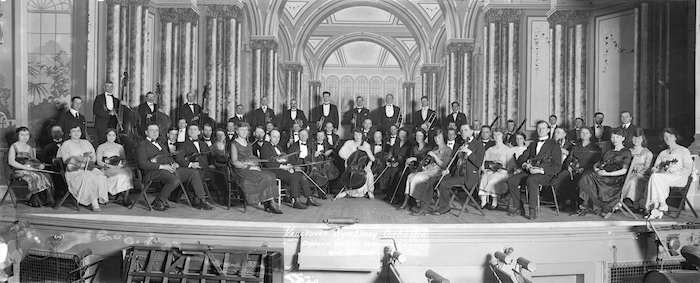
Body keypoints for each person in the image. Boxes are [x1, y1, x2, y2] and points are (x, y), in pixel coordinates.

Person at [136, 123, 214, 211]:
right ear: (146, 132)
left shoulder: (160, 144)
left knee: (193, 173)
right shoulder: (142, 145)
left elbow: (168, 157)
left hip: (168, 169)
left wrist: (174, 163)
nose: (154, 132)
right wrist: (162, 166)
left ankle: (201, 200)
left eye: (156, 130)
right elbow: (142, 164)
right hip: (152, 172)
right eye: (151, 130)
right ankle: (159, 201)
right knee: (174, 179)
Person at [506, 120, 562, 220]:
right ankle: (518, 207)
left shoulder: (554, 145)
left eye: (543, 128)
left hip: (546, 174)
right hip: (530, 171)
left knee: (531, 180)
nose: (540, 130)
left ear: (548, 130)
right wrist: (525, 165)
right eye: (538, 128)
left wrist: (540, 170)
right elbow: (521, 158)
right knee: (512, 180)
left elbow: (557, 166)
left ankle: (533, 209)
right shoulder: (533, 144)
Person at [576, 129, 632, 218]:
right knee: (587, 175)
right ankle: (590, 205)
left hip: (614, 179)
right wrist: (597, 169)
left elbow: (624, 171)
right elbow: (597, 164)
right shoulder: (609, 151)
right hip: (602, 175)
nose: (614, 139)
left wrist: (607, 174)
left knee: (587, 177)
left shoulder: (626, 152)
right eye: (612, 137)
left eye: (617, 137)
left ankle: (592, 205)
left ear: (623, 138)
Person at [229, 122, 282, 214]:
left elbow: (251, 158)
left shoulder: (249, 144)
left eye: (246, 130)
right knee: (265, 177)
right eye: (242, 130)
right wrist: (249, 167)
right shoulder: (234, 144)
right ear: (237, 131)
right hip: (240, 170)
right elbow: (234, 162)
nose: (244, 132)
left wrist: (255, 165)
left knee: (270, 175)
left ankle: (268, 202)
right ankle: (270, 204)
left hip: (250, 168)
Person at [260, 129, 320, 208]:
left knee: (301, 174)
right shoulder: (266, 145)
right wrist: (283, 167)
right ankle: (296, 200)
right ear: (269, 137)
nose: (277, 139)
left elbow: (285, 160)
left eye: (278, 137)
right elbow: (268, 162)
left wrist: (289, 166)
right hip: (273, 170)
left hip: (282, 169)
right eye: (274, 137)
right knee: (294, 176)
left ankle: (309, 198)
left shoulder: (279, 147)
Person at [56, 125, 110, 211]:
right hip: (74, 170)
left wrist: (90, 158)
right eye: (74, 131)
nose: (76, 133)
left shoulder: (86, 142)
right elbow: (66, 160)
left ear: (81, 132)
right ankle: (94, 202)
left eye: (78, 131)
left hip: (88, 167)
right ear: (69, 133)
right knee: (89, 177)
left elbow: (94, 158)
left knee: (100, 175)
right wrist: (81, 160)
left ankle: (98, 198)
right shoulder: (66, 144)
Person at [644, 128, 694, 220]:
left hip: (679, 178)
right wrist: (655, 169)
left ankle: (655, 206)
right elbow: (655, 167)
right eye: (665, 137)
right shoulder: (663, 153)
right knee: (655, 176)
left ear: (675, 137)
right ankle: (660, 207)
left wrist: (675, 171)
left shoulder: (683, 151)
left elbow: (688, 168)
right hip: (663, 178)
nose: (667, 138)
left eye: (670, 136)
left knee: (655, 178)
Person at [550, 128, 602, 212]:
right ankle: (561, 202)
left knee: (580, 180)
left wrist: (583, 168)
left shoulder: (595, 148)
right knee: (560, 178)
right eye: (582, 132)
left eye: (586, 133)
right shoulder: (575, 146)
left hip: (585, 171)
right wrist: (568, 166)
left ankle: (578, 204)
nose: (584, 134)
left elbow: (596, 163)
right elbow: (569, 158)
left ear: (590, 135)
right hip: (572, 169)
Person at [433, 124, 481, 215]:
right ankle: (444, 205)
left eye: (465, 130)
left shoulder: (478, 145)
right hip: (459, 174)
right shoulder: (463, 144)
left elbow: (478, 163)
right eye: (462, 130)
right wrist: (449, 170)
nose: (463, 132)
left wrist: (469, 152)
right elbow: (457, 162)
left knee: (444, 183)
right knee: (441, 179)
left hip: (469, 176)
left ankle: (444, 207)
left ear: (471, 132)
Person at [407, 130, 453, 215]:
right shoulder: (435, 148)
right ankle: (419, 203)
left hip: (440, 173)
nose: (436, 139)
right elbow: (431, 162)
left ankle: (423, 207)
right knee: (414, 176)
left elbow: (444, 165)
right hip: (431, 171)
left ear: (444, 138)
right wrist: (426, 166)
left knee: (423, 180)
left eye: (439, 137)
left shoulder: (448, 149)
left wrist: (434, 156)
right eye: (435, 137)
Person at [8, 127, 54, 207]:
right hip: (17, 171)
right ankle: (34, 200)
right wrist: (26, 168)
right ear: (17, 136)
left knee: (46, 175)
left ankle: (46, 200)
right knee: (34, 176)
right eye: (22, 135)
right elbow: (11, 162)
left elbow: (33, 162)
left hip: (29, 170)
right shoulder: (14, 146)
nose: (25, 137)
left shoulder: (29, 148)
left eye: (27, 135)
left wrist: (39, 165)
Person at [95, 128, 134, 206]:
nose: (111, 137)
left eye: (113, 135)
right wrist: (110, 166)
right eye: (109, 135)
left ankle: (125, 197)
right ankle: (125, 197)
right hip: (106, 168)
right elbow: (99, 161)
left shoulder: (120, 147)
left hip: (118, 167)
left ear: (116, 136)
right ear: (106, 136)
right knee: (123, 174)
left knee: (127, 172)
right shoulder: (101, 147)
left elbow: (123, 159)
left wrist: (121, 165)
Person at [337, 129, 376, 199]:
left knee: (369, 174)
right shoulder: (349, 143)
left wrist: (366, 150)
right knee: (351, 175)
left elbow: (372, 159)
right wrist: (349, 158)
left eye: (359, 135)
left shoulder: (366, 144)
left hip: (362, 166)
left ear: (362, 135)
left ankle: (369, 191)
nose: (357, 137)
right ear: (353, 135)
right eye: (355, 135)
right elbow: (340, 153)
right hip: (351, 166)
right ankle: (347, 191)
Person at [620, 128, 653, 211]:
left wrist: (639, 170)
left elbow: (647, 168)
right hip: (626, 173)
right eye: (634, 137)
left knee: (633, 180)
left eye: (639, 138)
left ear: (643, 139)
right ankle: (619, 202)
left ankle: (632, 202)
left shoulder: (648, 153)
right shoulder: (628, 151)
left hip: (641, 175)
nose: (636, 140)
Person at [478, 131, 510, 209]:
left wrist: (502, 167)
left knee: (492, 179)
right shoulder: (490, 149)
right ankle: (483, 201)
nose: (496, 136)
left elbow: (510, 164)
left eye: (498, 134)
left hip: (503, 172)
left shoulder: (507, 149)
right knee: (484, 177)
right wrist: (484, 168)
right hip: (490, 170)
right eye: (495, 135)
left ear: (503, 136)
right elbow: (484, 161)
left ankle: (494, 202)